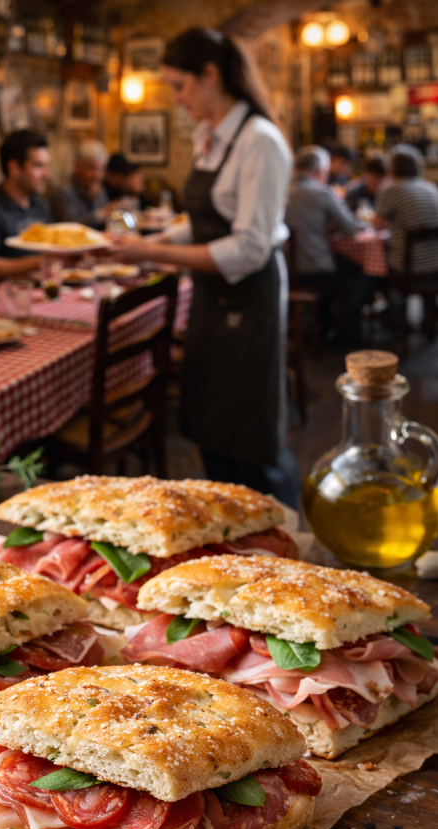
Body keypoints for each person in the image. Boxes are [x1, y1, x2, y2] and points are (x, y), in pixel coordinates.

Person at [108, 27, 298, 507]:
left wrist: (150, 253)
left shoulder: (260, 141)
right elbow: (204, 224)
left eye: (180, 85)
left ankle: (281, 534)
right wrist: (148, 241)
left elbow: (248, 247)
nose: (176, 98)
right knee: (213, 424)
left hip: (249, 295)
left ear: (211, 75)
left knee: (251, 432)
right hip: (213, 297)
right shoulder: (208, 136)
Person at [285, 145, 368, 345]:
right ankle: (345, 333)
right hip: (317, 268)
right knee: (362, 277)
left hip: (287, 269)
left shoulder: (282, 191)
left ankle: (323, 323)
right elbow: (350, 229)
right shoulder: (322, 193)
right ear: (321, 170)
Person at [0, 129, 52, 281]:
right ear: (14, 168)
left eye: (47, 166)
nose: (47, 174)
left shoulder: (40, 204)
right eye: (39, 166)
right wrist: (41, 262)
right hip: (9, 297)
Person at [373, 145, 438, 275]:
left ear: (392, 167)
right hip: (435, 265)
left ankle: (389, 294)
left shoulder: (390, 190)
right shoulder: (431, 188)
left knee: (374, 268)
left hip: (408, 267)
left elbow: (377, 226)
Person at [50, 140, 120, 227]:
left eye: (102, 169)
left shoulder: (100, 190)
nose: (97, 175)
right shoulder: (62, 192)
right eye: (92, 168)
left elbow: (106, 224)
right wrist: (100, 214)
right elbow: (68, 226)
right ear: (76, 167)